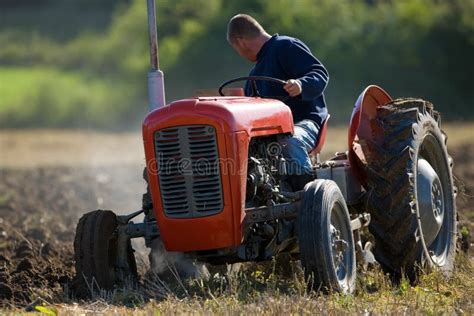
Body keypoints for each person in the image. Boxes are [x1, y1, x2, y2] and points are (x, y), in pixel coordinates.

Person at [226, 14, 329, 190]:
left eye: (236, 49)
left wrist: (301, 84)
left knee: (288, 140)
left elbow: (319, 73)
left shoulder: (285, 46)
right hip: (269, 133)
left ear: (240, 42)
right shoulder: (254, 74)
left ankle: (305, 196)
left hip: (303, 122)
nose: (240, 54)